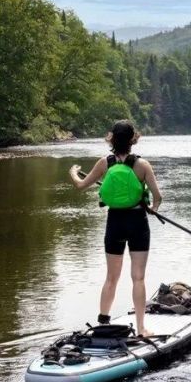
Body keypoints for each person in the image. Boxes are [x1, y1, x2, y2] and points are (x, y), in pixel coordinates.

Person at [69, 120, 162, 337]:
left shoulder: (105, 163)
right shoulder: (143, 165)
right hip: (138, 222)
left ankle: (102, 325)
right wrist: (153, 208)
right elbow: (157, 198)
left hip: (115, 223)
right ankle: (141, 329)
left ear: (111, 138)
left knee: (111, 277)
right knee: (138, 277)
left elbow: (81, 185)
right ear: (133, 140)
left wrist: (74, 171)